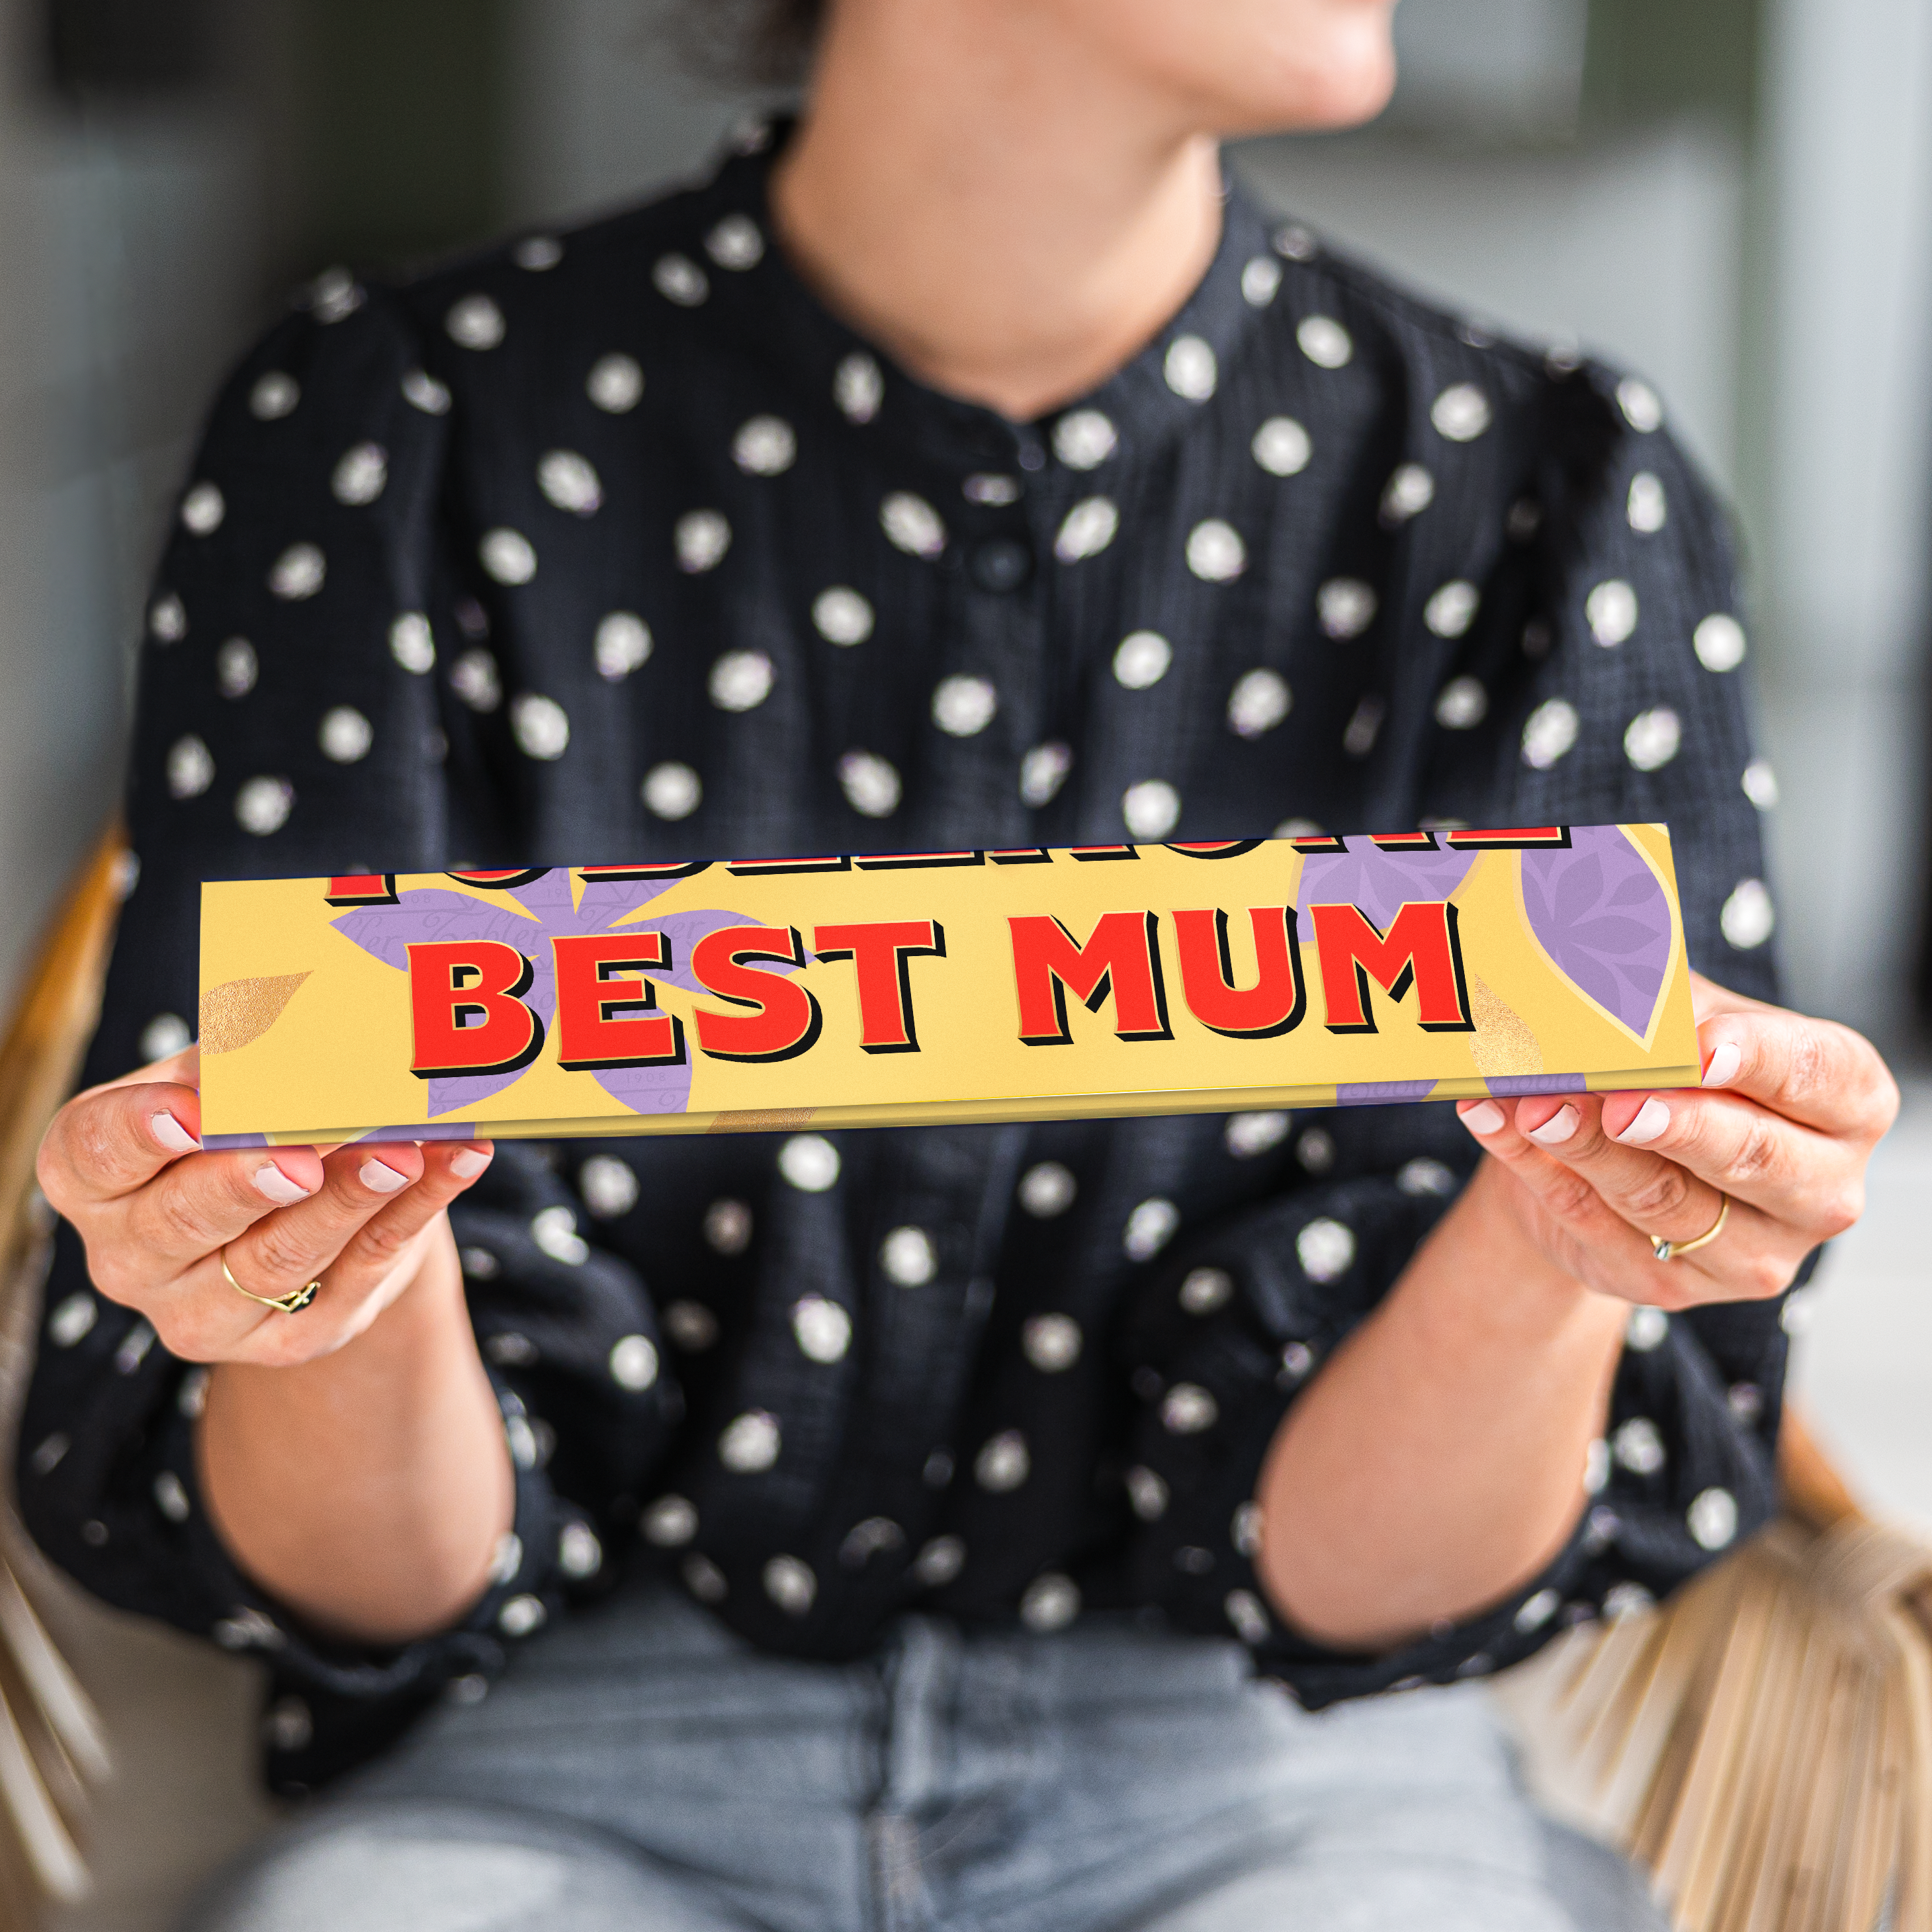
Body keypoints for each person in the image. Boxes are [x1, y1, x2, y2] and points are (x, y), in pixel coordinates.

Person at [25, 0, 1899, 1926]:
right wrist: (319, 1269)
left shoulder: (1559, 494)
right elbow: (365, 1565)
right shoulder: (389, 429)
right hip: (553, 1746)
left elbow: (1372, 1584)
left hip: (1289, 1771)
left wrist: (1551, 1250)